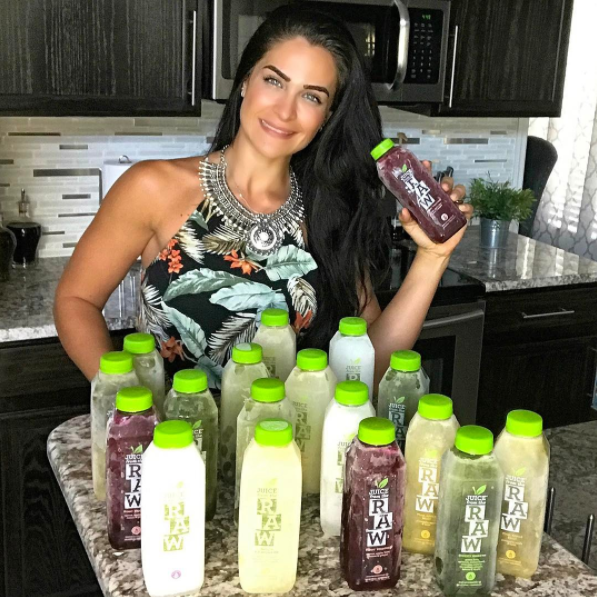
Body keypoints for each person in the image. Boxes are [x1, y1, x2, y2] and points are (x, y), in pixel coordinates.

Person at [54, 5, 471, 390]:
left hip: (288, 457)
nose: (285, 111)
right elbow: (76, 302)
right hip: (171, 452)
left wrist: (433, 258)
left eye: (311, 96)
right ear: (245, 83)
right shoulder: (153, 187)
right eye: (274, 80)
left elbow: (371, 361)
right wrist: (129, 404)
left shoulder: (328, 210)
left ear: (326, 118)